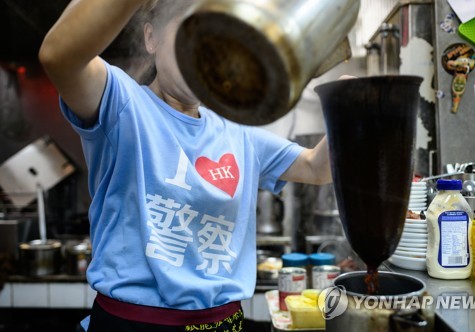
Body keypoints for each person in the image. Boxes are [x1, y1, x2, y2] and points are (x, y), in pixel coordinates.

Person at [39, 0, 333, 331]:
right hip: (136, 323)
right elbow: (60, 56)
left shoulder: (240, 133)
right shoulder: (125, 106)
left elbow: (316, 169)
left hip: (225, 322)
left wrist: (346, 107)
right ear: (151, 38)